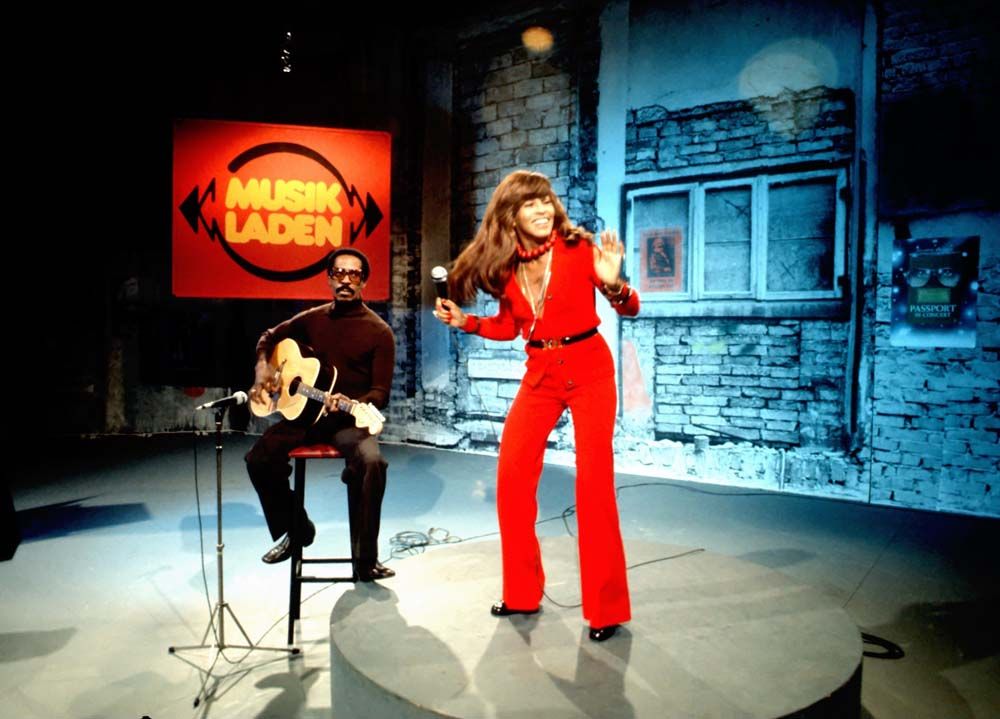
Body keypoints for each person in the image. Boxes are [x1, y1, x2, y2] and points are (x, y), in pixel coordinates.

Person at [434, 170, 639, 641]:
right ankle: (523, 592)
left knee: (594, 487)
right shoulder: (508, 267)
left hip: (589, 369)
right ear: (511, 215)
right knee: (511, 480)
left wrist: (614, 285)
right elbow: (510, 327)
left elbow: (631, 307)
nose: (544, 208)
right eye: (531, 203)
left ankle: (606, 609)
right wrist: (467, 322)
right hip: (541, 374)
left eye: (547, 199)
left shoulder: (579, 250)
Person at [245, 248, 396, 582]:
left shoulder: (379, 331)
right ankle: (297, 529)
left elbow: (380, 393)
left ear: (363, 281)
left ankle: (366, 559)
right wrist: (262, 370)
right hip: (304, 417)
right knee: (258, 460)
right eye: (339, 273)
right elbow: (268, 338)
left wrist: (353, 401)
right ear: (329, 279)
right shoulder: (312, 319)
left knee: (372, 463)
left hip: (347, 421)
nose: (346, 280)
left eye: (353, 274)